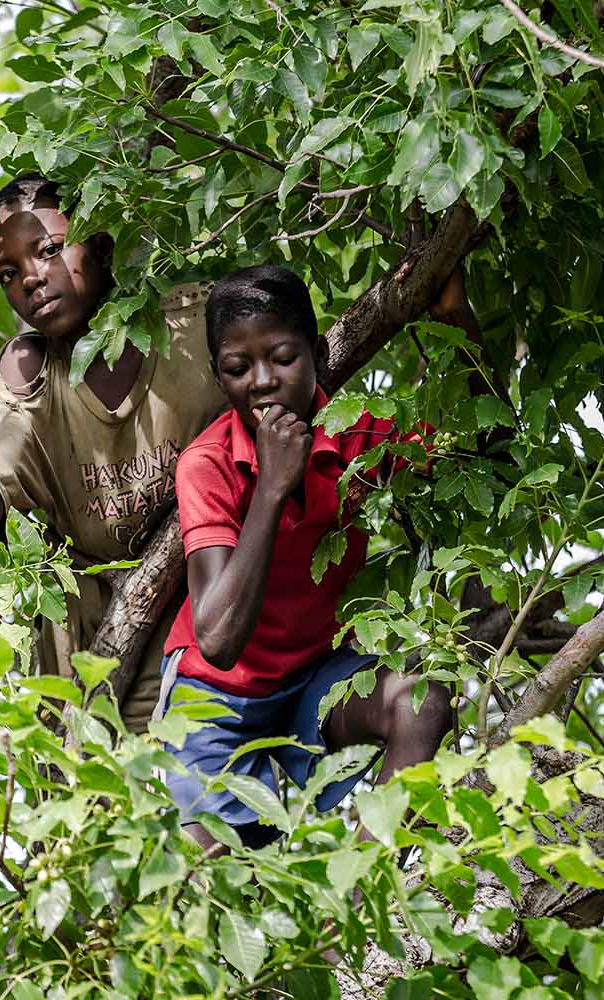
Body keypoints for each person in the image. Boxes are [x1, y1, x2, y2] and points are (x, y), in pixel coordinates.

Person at [0, 173, 228, 733]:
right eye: (9, 274)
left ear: (101, 250)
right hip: (94, 640)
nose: (31, 278)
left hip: (210, 608)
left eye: (50, 251)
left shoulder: (193, 328)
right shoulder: (31, 371)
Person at [159, 264, 461, 850]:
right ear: (219, 380)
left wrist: (456, 318)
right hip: (215, 699)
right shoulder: (208, 463)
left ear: (318, 356)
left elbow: (481, 452)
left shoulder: (358, 436)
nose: (263, 381)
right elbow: (218, 641)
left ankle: (374, 901)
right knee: (207, 872)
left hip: (315, 680)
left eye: (283, 358)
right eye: (238, 369)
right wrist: (272, 487)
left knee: (420, 700)